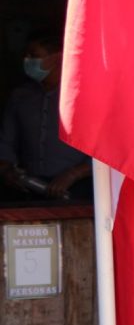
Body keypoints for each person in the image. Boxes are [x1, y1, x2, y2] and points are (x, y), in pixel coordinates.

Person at [0, 34, 92, 201]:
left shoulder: (84, 96)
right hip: (29, 188)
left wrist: (74, 174)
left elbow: (108, 147)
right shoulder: (20, 96)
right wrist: (7, 171)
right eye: (26, 55)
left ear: (57, 57)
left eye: (34, 56)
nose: (27, 61)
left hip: (79, 189)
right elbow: (6, 142)